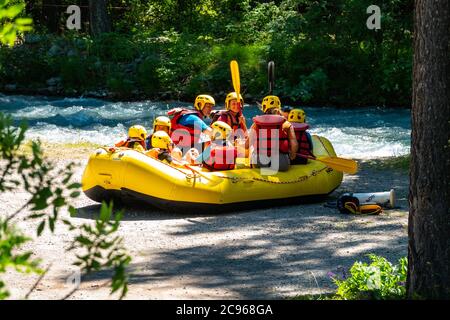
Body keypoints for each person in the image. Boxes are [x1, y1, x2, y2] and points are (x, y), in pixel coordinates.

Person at [248, 95, 298, 172]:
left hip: (260, 162)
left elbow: (247, 145)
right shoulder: (286, 124)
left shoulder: (256, 123)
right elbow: (294, 144)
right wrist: (292, 155)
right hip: (280, 163)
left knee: (252, 148)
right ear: (279, 108)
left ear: (263, 108)